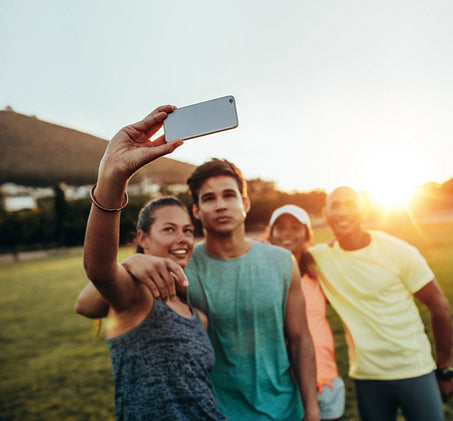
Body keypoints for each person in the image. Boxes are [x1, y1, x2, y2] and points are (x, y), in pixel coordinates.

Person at [75, 158, 320, 417]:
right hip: (217, 412)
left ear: (244, 204)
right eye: (209, 198)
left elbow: (300, 339)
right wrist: (131, 262)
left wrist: (312, 409)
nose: (221, 205)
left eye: (229, 195)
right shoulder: (179, 266)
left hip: (285, 409)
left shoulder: (282, 261)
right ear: (197, 211)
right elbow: (87, 304)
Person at [77, 105, 227, 420]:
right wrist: (113, 177)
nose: (183, 238)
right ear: (143, 239)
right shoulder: (135, 298)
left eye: (188, 230)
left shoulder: (198, 315)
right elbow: (99, 270)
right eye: (169, 229)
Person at [309, 186, 453, 421]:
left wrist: (445, 369)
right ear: (324, 212)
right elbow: (283, 254)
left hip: (415, 370)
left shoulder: (398, 250)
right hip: (367, 377)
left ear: (364, 209)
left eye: (350, 204)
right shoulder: (319, 258)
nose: (342, 211)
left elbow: (439, 306)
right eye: (335, 205)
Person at [268, 205, 345, 421]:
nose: (287, 233)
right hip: (285, 383)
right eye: (280, 227)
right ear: (271, 234)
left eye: (295, 227)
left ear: (306, 235)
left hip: (326, 378)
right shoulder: (265, 275)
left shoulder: (317, 272)